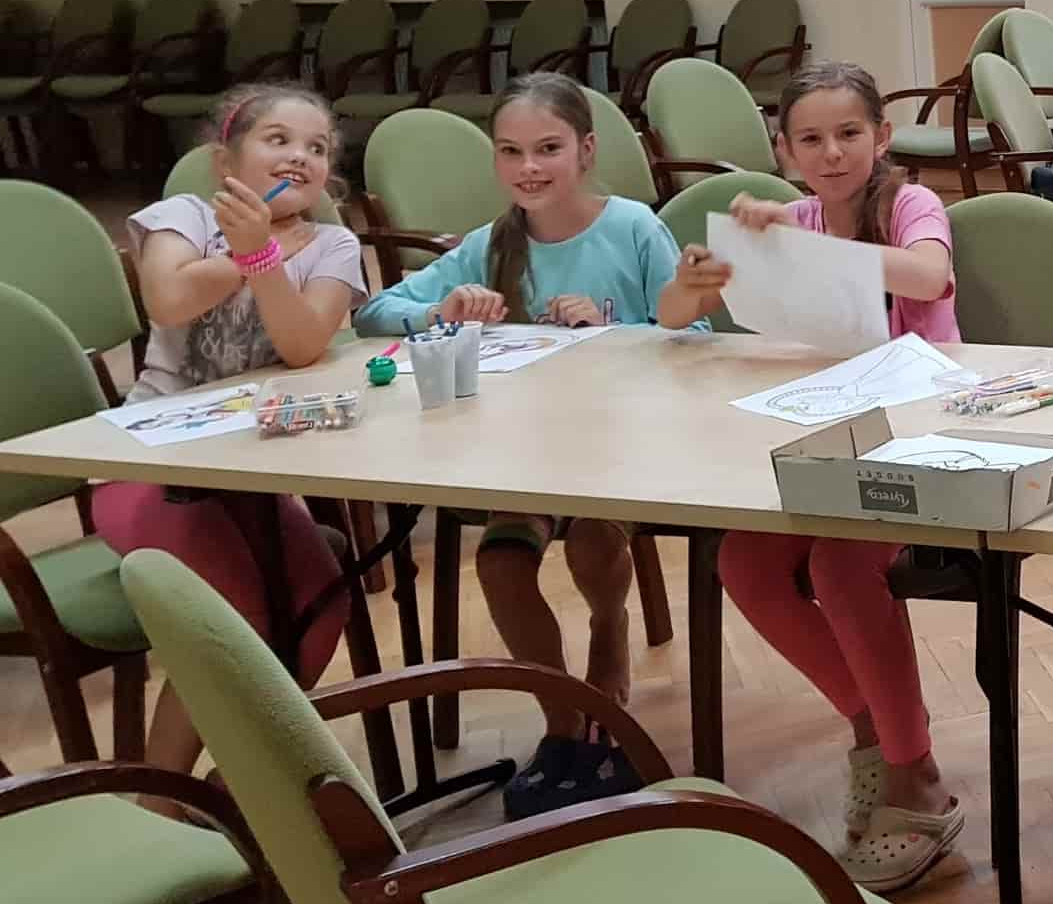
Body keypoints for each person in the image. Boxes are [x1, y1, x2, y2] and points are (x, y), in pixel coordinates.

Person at [356, 72, 723, 816]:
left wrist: (615, 330)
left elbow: (698, 337)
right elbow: (373, 313)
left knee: (592, 533)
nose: (529, 167)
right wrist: (442, 307)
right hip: (523, 459)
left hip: (625, 453)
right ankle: (565, 722)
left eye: (548, 148)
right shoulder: (492, 244)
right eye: (511, 151)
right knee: (500, 559)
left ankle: (609, 641)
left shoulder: (632, 227)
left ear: (585, 150)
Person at [679, 62, 966, 892]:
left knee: (841, 563)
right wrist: (706, 272)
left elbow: (926, 275)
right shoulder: (795, 217)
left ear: (882, 136)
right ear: (785, 149)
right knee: (743, 558)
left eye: (849, 134)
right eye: (811, 138)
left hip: (922, 437)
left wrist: (807, 248)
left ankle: (914, 773)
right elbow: (679, 315)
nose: (832, 153)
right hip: (824, 432)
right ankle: (875, 726)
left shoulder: (912, 204)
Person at [102, 84, 364, 775]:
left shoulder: (333, 244)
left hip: (250, 480)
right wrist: (246, 251)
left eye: (317, 148)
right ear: (227, 162)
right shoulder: (182, 217)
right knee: (231, 621)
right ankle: (162, 801)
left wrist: (267, 261)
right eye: (278, 139)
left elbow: (302, 345)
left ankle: (242, 787)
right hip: (148, 468)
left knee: (319, 605)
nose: (300, 156)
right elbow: (168, 299)